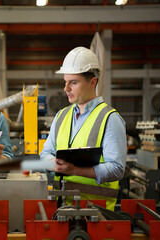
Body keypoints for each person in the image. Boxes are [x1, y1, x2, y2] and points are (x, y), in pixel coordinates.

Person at [40, 47, 127, 211]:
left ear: (92, 82)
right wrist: (53, 164)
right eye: (65, 82)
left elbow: (116, 169)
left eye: (73, 82)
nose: (66, 88)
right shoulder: (61, 116)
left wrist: (76, 170)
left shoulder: (110, 118)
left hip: (96, 212)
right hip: (61, 208)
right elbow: (45, 153)